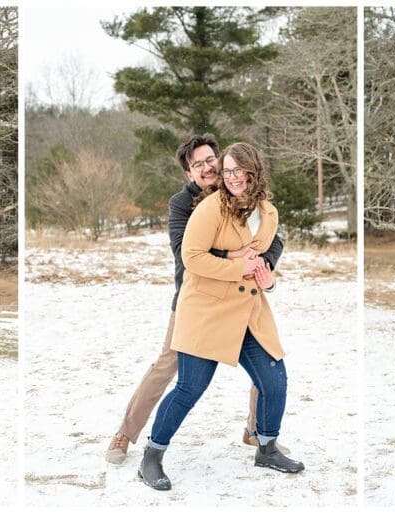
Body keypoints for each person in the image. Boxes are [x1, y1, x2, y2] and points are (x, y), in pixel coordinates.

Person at [105, 133, 286, 464]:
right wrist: (232, 255)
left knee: (265, 365)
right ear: (189, 173)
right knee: (167, 368)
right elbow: (184, 251)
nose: (206, 168)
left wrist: (265, 265)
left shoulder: (240, 190)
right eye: (197, 164)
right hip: (197, 302)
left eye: (209, 160)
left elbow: (274, 238)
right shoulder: (182, 203)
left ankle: (257, 431)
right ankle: (125, 434)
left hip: (241, 296)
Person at [139, 142, 303, 491]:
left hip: (248, 312)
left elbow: (264, 259)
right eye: (226, 171)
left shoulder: (268, 212)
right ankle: (151, 457)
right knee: (189, 387)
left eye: (237, 170)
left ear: (253, 170)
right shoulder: (211, 208)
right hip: (207, 310)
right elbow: (192, 256)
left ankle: (267, 447)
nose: (231, 178)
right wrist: (234, 265)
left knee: (274, 380)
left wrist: (268, 279)